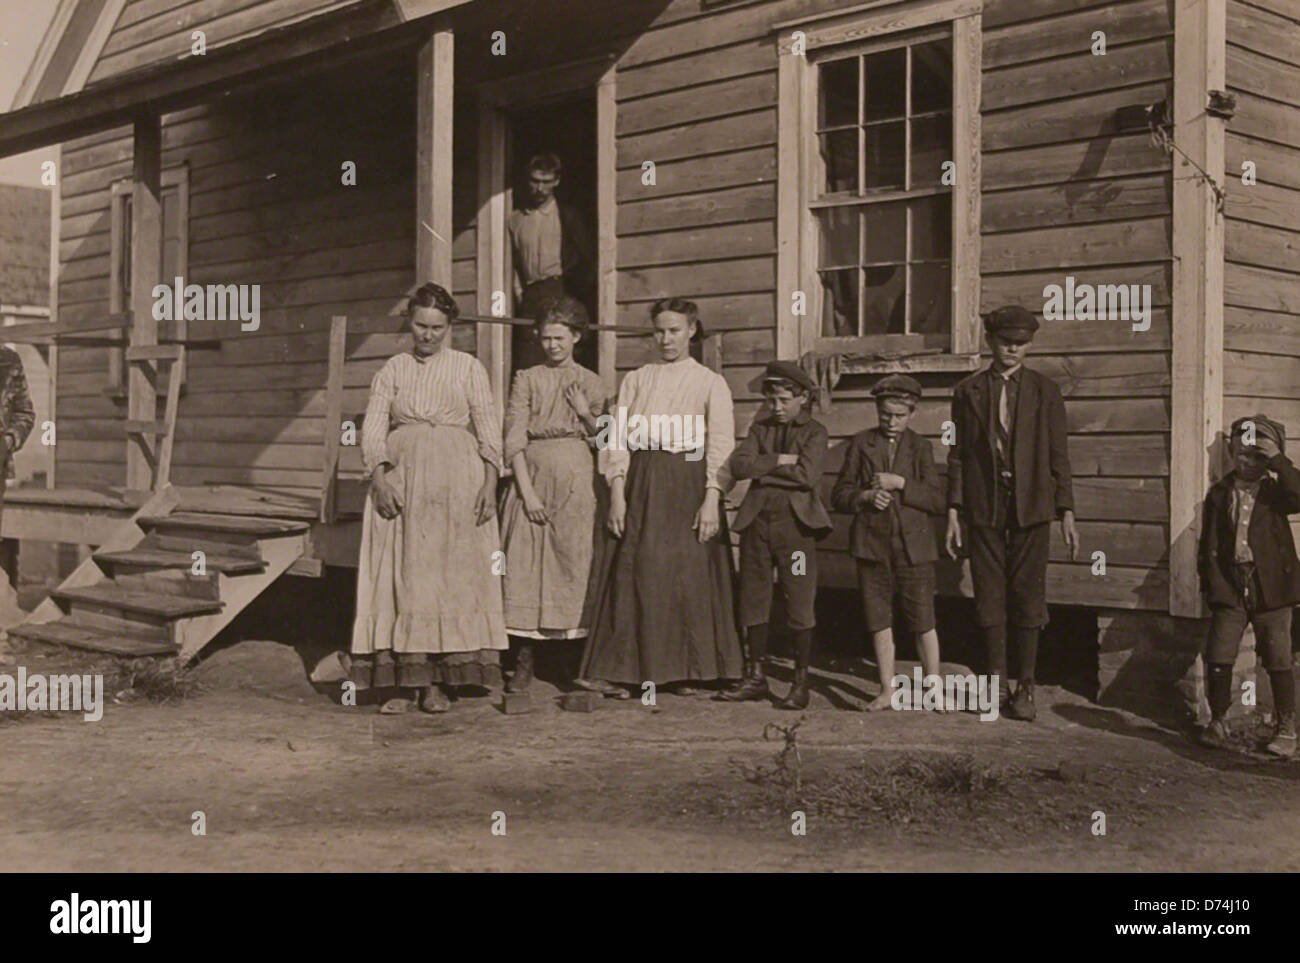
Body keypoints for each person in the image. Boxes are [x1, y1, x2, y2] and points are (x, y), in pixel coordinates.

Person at [349, 282, 508, 713]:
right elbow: (374, 428)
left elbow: (488, 427)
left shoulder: (468, 367)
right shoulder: (394, 369)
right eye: (421, 325)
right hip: (404, 482)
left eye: (438, 327)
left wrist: (490, 483)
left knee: (449, 580)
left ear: (449, 326)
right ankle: (404, 684)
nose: (429, 335)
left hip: (458, 483)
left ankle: (438, 683)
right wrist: (379, 478)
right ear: (410, 323)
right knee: (405, 576)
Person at [576, 298, 743, 697]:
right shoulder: (637, 379)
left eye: (674, 331)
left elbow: (720, 443)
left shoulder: (710, 382)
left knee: (685, 573)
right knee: (638, 570)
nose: (666, 339)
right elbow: (616, 437)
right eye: (659, 331)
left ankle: (687, 670)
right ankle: (625, 670)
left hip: (689, 481)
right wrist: (618, 492)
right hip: (642, 479)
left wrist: (711, 498)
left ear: (691, 331)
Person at [945, 305, 1078, 722]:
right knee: (989, 594)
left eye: (1022, 343)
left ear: (1030, 345)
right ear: (990, 342)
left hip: (1032, 505)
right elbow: (957, 454)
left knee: (1027, 594)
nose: (1013, 350)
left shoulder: (1045, 391)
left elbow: (1059, 453)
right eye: (1006, 342)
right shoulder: (968, 391)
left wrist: (1066, 509)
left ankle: (1026, 686)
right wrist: (954, 509)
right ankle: (996, 683)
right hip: (984, 504)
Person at [499, 296, 609, 692]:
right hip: (532, 474)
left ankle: (567, 662)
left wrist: (584, 411)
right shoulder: (526, 378)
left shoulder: (592, 382)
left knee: (572, 561)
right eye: (546, 338)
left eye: (560, 338)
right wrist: (527, 493)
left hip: (577, 480)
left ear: (576, 337)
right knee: (524, 563)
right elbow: (514, 437)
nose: (553, 345)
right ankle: (523, 660)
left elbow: (605, 439)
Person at [715, 361, 831, 709]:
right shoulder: (760, 427)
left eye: (784, 400)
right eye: (772, 400)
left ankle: (800, 682)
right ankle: (755, 677)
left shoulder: (815, 432)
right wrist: (780, 459)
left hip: (796, 531)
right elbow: (740, 465)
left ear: (803, 398)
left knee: (799, 599)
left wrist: (763, 470)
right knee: (753, 597)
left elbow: (807, 476)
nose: (776, 407)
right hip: (757, 525)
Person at [833, 374, 945, 712]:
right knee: (878, 618)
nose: (891, 422)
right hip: (872, 545)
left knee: (923, 618)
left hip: (914, 548)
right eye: (885, 415)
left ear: (912, 413)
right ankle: (886, 690)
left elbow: (936, 499)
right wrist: (865, 496)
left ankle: (933, 689)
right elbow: (839, 495)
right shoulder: (861, 443)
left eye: (899, 415)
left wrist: (900, 483)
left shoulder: (921, 447)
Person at [1196, 414, 1300, 756]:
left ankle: (1286, 727)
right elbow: (1209, 543)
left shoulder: (1276, 492)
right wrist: (1212, 583)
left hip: (1271, 588)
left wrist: (1279, 461)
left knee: (1278, 656)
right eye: (1242, 453)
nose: (1248, 462)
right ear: (1232, 453)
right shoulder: (1220, 493)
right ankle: (1219, 720)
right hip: (1231, 586)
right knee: (1219, 652)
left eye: (1257, 456)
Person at [508, 152, 595, 370]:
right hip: (530, 294)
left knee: (561, 353)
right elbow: (513, 262)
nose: (540, 188)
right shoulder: (515, 219)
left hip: (560, 289)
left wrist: (575, 293)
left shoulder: (567, 215)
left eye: (546, 182)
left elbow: (587, 258)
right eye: (535, 181)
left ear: (556, 181)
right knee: (529, 355)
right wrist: (518, 292)